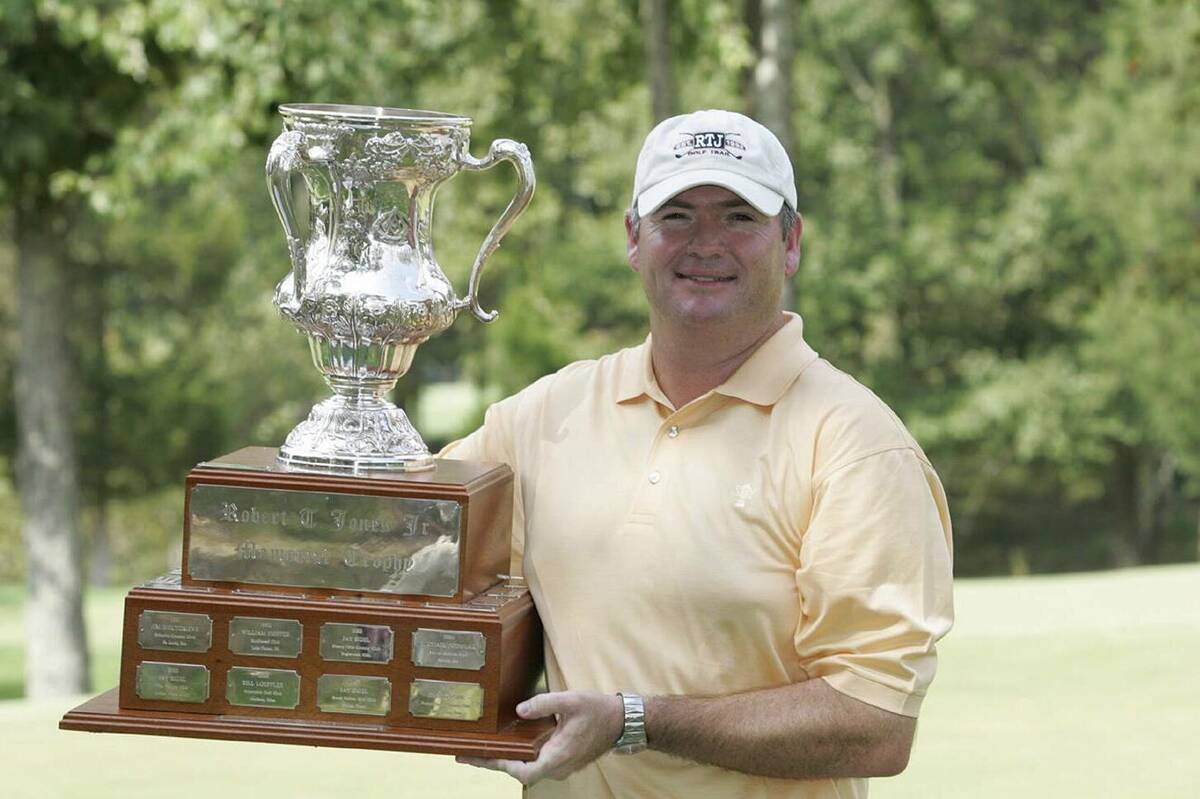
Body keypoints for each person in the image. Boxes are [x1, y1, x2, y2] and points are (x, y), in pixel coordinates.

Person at [443, 109, 954, 798]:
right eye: (676, 215)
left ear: (791, 241)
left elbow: (874, 722)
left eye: (739, 217)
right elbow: (414, 546)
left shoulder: (856, 444)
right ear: (634, 237)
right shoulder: (546, 416)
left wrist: (635, 720)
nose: (705, 243)